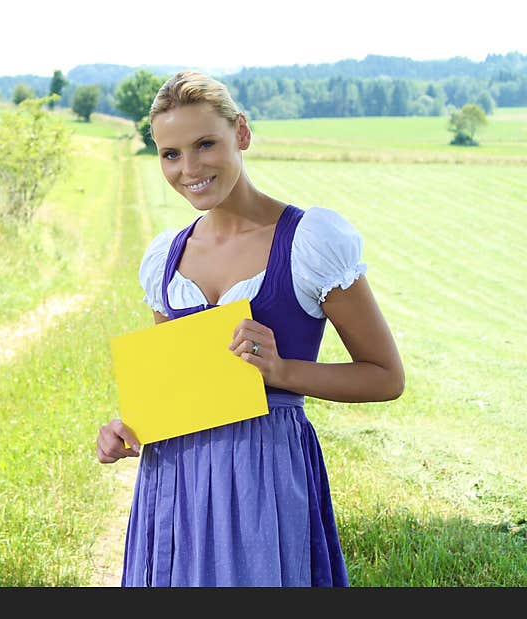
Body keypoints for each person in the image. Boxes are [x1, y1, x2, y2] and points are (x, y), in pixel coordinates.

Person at [95, 71, 405, 587]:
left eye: (204, 144)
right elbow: (175, 391)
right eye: (170, 154)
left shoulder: (309, 242)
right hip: (175, 478)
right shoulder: (165, 259)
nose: (188, 168)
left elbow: (385, 377)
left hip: (265, 472)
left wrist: (282, 369)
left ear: (241, 133)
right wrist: (129, 428)